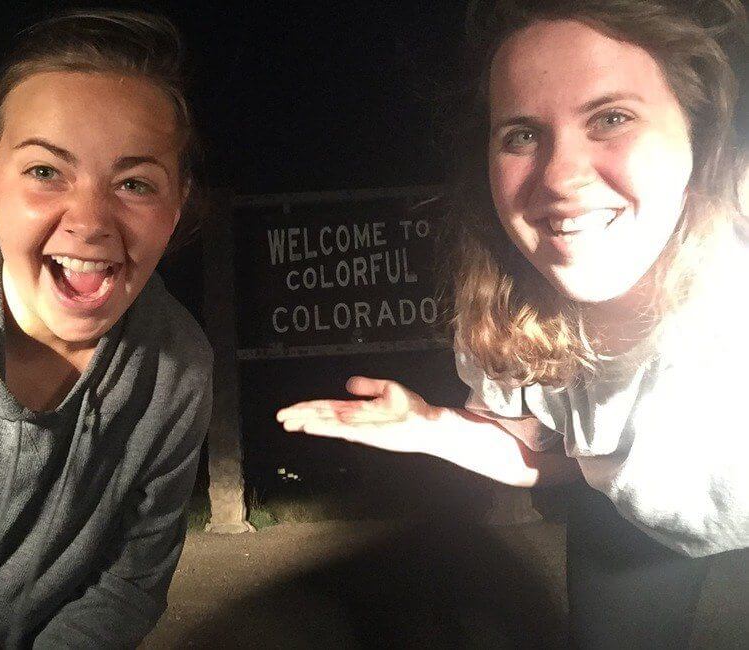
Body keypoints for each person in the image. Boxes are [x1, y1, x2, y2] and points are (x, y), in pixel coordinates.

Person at [277, 0, 749, 646]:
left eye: (611, 118)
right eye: (522, 135)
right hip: (633, 522)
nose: (558, 176)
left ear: (701, 135)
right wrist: (428, 427)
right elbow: (548, 459)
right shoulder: (508, 308)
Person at [0, 10, 212, 648]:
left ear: (177, 203)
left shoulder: (179, 371)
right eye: (44, 171)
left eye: (135, 182)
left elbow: (130, 584)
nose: (90, 221)